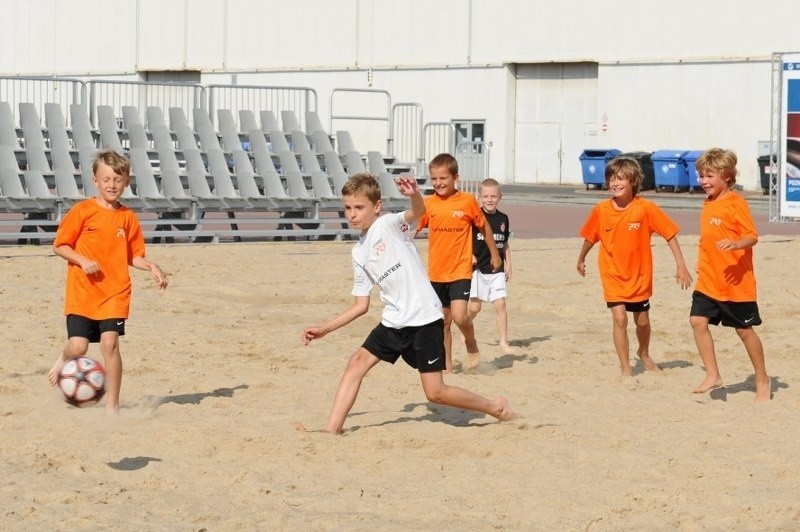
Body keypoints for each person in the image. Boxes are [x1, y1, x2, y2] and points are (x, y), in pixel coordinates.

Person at [299, 173, 515, 434]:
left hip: (424, 318)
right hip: (393, 321)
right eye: (347, 208)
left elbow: (418, 211)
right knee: (356, 363)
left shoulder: (388, 225)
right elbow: (360, 305)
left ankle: (496, 407)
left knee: (435, 393)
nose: (352, 214)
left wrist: (414, 193)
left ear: (376, 207)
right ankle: (331, 430)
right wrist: (324, 329)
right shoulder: (358, 252)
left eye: (359, 207)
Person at [48, 148, 168, 414]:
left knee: (109, 344)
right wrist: (82, 260)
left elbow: (134, 256)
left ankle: (112, 406)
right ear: (95, 181)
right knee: (78, 346)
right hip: (82, 291)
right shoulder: (83, 211)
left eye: (117, 180)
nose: (112, 185)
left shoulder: (127, 218)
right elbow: (59, 245)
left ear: (126, 181)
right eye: (106, 180)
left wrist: (151, 266)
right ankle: (65, 358)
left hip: (115, 292)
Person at [576, 156, 692, 376]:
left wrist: (680, 265)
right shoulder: (601, 210)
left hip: (639, 275)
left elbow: (669, 234)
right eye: (611, 178)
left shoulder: (645, 209)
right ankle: (625, 367)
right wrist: (581, 257)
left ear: (633, 181)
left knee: (642, 321)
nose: (615, 183)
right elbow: (592, 236)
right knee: (619, 318)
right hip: (611, 273)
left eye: (621, 178)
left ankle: (644, 352)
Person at [689, 148, 770, 401]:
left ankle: (762, 379)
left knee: (744, 332)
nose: (704, 181)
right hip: (709, 279)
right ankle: (713, 374)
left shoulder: (736, 203)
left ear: (727, 176)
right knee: (697, 321)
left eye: (710, 176)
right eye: (701, 175)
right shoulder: (708, 203)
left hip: (737, 283)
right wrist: (701, 262)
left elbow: (751, 236)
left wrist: (736, 245)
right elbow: (707, 239)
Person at [417, 153, 501, 373]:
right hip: (436, 273)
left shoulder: (467, 201)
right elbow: (414, 227)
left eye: (443, 178)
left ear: (456, 177)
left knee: (460, 316)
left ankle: (471, 343)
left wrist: (495, 254)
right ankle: (446, 365)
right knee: (443, 322)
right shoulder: (429, 204)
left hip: (461, 270)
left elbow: (484, 227)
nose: (439, 183)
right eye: (434, 179)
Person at [468, 178, 514, 354]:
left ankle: (503, 341)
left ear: (500, 197)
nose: (489, 199)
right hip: (477, 269)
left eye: (493, 196)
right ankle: (467, 329)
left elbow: (505, 243)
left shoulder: (503, 219)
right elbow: (466, 240)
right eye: (485, 196)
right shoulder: (475, 218)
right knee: (475, 307)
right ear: (479, 197)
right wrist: (470, 256)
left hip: (497, 270)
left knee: (500, 304)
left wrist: (509, 264)